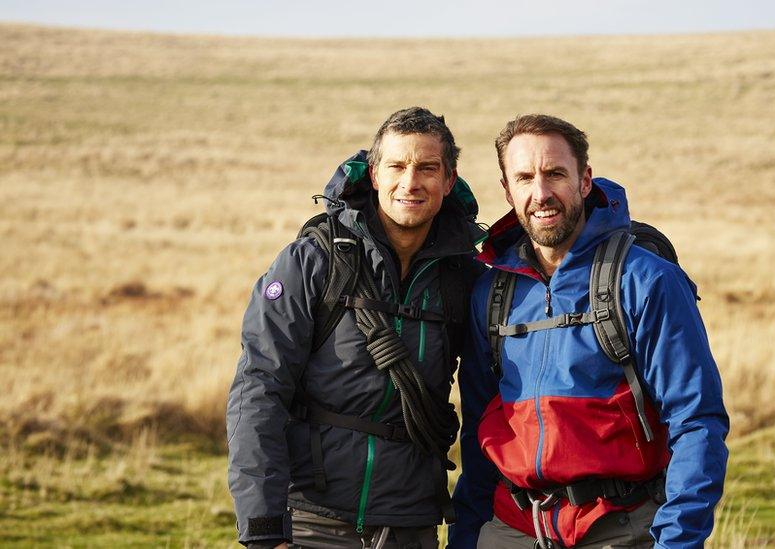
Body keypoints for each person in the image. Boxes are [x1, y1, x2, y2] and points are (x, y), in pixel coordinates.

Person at [449, 114, 729, 548]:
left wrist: (677, 542)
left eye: (555, 174)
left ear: (584, 181)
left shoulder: (646, 280)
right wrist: (466, 538)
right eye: (524, 177)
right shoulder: (491, 292)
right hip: (511, 530)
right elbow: (479, 438)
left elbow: (697, 422)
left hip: (620, 530)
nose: (540, 193)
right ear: (507, 190)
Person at [227, 107, 484, 549]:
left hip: (412, 524)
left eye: (427, 168)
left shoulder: (463, 276)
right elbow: (258, 390)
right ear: (375, 175)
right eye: (397, 166)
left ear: (448, 179)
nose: (411, 182)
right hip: (311, 521)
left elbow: (493, 404)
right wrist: (265, 529)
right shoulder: (314, 261)